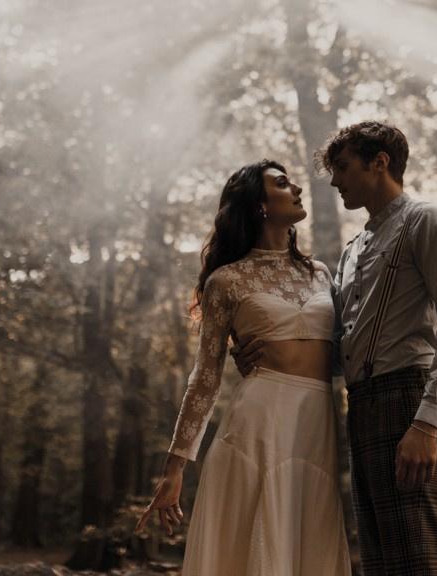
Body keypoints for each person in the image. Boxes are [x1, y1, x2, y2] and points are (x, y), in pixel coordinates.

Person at [236, 121, 437, 576]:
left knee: (418, 560)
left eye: (343, 167)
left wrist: (426, 424)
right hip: (362, 405)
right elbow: (338, 350)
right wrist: (262, 353)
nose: (334, 181)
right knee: (381, 561)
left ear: (380, 162)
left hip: (410, 399)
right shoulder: (353, 250)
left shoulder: (426, 219)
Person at [136, 160, 351, 576]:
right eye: (282, 184)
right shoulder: (227, 281)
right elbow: (205, 376)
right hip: (259, 421)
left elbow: (344, 353)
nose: (297, 189)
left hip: (316, 422)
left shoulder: (321, 273)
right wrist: (175, 468)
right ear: (259, 205)